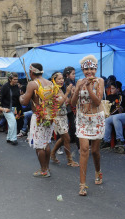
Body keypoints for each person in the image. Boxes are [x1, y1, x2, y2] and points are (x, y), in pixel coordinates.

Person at [71, 55, 105, 196]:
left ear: (95, 69)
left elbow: (97, 102)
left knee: (95, 151)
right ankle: (82, 185)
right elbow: (72, 103)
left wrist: (89, 88)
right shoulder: (79, 81)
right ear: (82, 70)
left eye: (92, 69)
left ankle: (98, 171)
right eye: (86, 69)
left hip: (96, 119)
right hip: (82, 119)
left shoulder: (100, 81)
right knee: (84, 150)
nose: (89, 72)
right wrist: (78, 88)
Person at [19, 63, 58, 177]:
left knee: (39, 145)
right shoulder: (50, 83)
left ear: (31, 73)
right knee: (46, 142)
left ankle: (43, 170)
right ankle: (47, 168)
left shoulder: (32, 84)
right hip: (49, 117)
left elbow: (25, 102)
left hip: (39, 118)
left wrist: (21, 97)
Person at [50, 72, 79, 167]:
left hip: (64, 116)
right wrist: (67, 92)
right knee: (67, 138)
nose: (61, 80)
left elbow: (67, 103)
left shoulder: (60, 90)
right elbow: (58, 104)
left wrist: (72, 94)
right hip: (58, 117)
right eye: (59, 79)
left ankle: (52, 153)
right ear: (54, 80)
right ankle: (69, 160)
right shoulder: (53, 90)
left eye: (62, 78)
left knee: (63, 138)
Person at [0, 73, 21, 145]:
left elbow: (18, 98)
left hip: (14, 107)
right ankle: (13, 139)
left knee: (12, 122)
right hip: (6, 107)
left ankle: (9, 137)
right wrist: (1, 108)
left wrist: (18, 109)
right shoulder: (5, 87)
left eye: (17, 79)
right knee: (13, 122)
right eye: (14, 79)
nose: (16, 81)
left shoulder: (16, 87)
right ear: (10, 79)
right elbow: (0, 98)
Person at [63, 66, 80, 150]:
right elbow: (67, 100)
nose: (74, 75)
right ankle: (58, 148)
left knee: (74, 127)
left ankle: (79, 147)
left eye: (74, 74)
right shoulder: (65, 84)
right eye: (73, 74)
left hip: (71, 109)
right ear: (67, 75)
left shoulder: (73, 83)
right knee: (64, 129)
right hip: (64, 109)